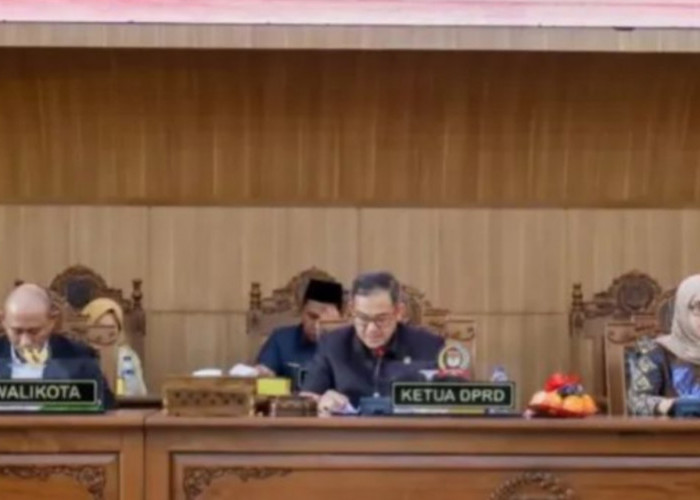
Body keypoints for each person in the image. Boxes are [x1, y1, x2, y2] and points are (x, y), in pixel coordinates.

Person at [301, 272, 444, 415]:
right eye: (363, 318)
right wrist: (321, 402)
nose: (371, 329)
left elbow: (449, 404)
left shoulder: (430, 346)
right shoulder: (332, 345)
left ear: (399, 312)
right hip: (349, 428)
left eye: (381, 319)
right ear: (351, 310)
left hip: (408, 429)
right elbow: (307, 399)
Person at [0, 283, 114, 408]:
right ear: (3, 321)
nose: (25, 342)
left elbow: (105, 408)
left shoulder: (79, 358)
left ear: (51, 322)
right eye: (17, 331)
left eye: (34, 332)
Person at [628, 274, 700, 416]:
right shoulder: (656, 352)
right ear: (682, 311)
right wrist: (670, 405)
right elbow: (637, 401)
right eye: (699, 307)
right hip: (674, 429)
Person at [255, 279, 344, 390]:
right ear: (302, 312)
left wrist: (334, 338)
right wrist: (264, 376)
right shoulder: (281, 340)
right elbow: (262, 382)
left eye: (324, 321)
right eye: (312, 317)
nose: (316, 325)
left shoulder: (349, 347)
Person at [82, 297, 147, 397]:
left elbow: (130, 393)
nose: (105, 336)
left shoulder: (126, 357)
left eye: (111, 332)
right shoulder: (75, 354)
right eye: (100, 328)